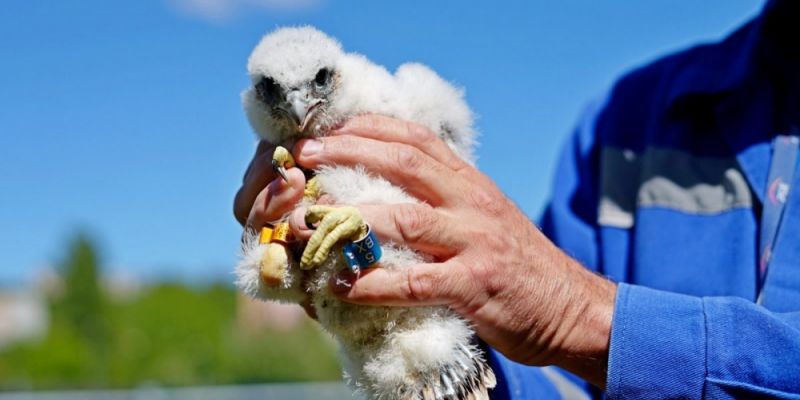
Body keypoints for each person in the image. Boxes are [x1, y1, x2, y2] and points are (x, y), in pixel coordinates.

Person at [234, 0, 800, 397]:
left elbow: (563, 326)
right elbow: (565, 381)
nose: (300, 105)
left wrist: (583, 318)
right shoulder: (629, 118)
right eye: (274, 94)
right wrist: (440, 355)